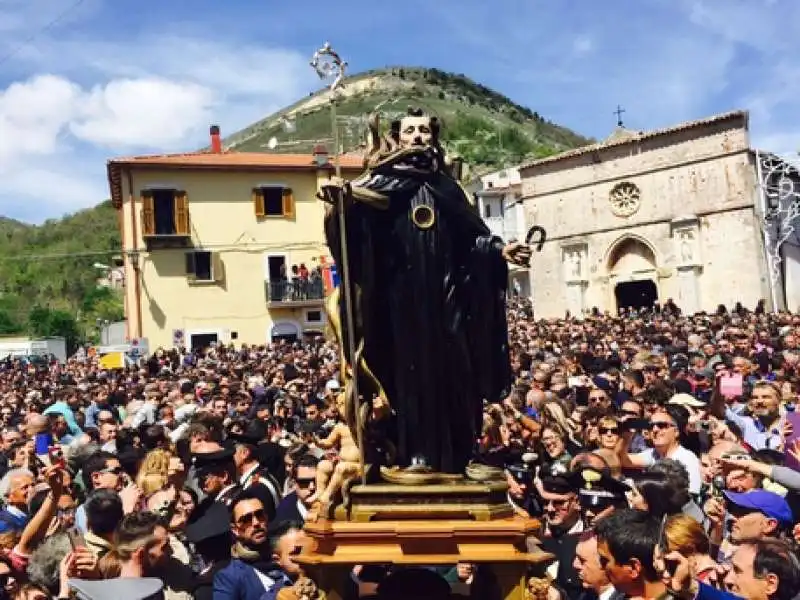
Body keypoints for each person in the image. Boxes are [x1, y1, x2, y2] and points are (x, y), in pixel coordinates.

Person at [320, 106, 533, 475]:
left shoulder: (447, 188)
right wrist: (344, 207)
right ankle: (415, 453)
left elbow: (474, 239)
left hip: (448, 298)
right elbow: (357, 238)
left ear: (434, 138)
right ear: (397, 138)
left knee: (456, 370)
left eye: (424, 131)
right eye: (410, 132)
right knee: (409, 374)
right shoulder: (380, 183)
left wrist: (500, 251)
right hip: (400, 301)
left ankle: (457, 453)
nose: (418, 137)